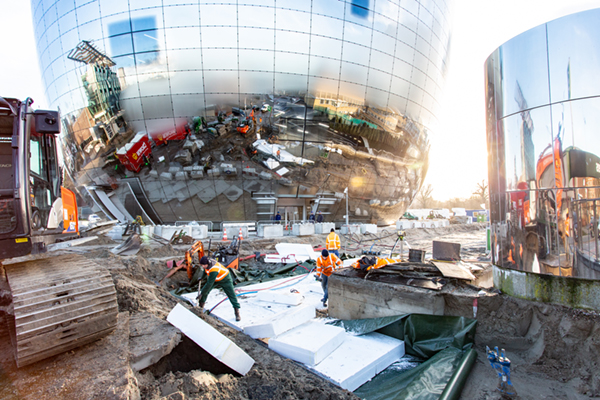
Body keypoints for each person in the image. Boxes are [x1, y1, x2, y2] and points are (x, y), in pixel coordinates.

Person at [197, 256, 241, 321]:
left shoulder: (214, 269)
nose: (203, 266)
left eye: (204, 265)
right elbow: (205, 270)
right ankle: (200, 309)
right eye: (202, 265)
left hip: (225, 279)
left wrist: (202, 293)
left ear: (207, 263)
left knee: (231, 294)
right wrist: (202, 277)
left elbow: (209, 284)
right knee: (205, 293)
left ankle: (237, 312)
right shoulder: (207, 265)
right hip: (216, 279)